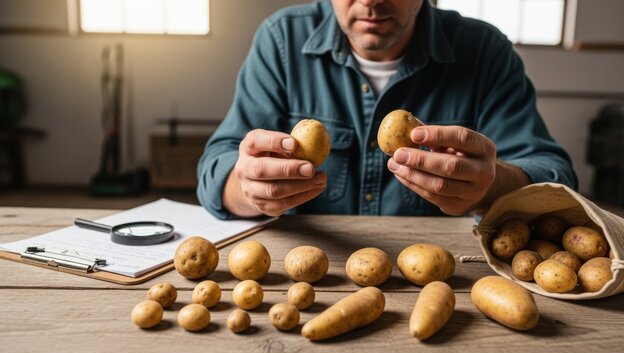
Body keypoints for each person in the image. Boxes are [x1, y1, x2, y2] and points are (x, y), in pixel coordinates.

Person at [197, 0, 577, 220]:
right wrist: (246, 188)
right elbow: (216, 166)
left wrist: (491, 185)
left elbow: (555, 178)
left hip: (441, 278)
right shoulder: (280, 41)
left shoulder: (484, 52)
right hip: (306, 273)